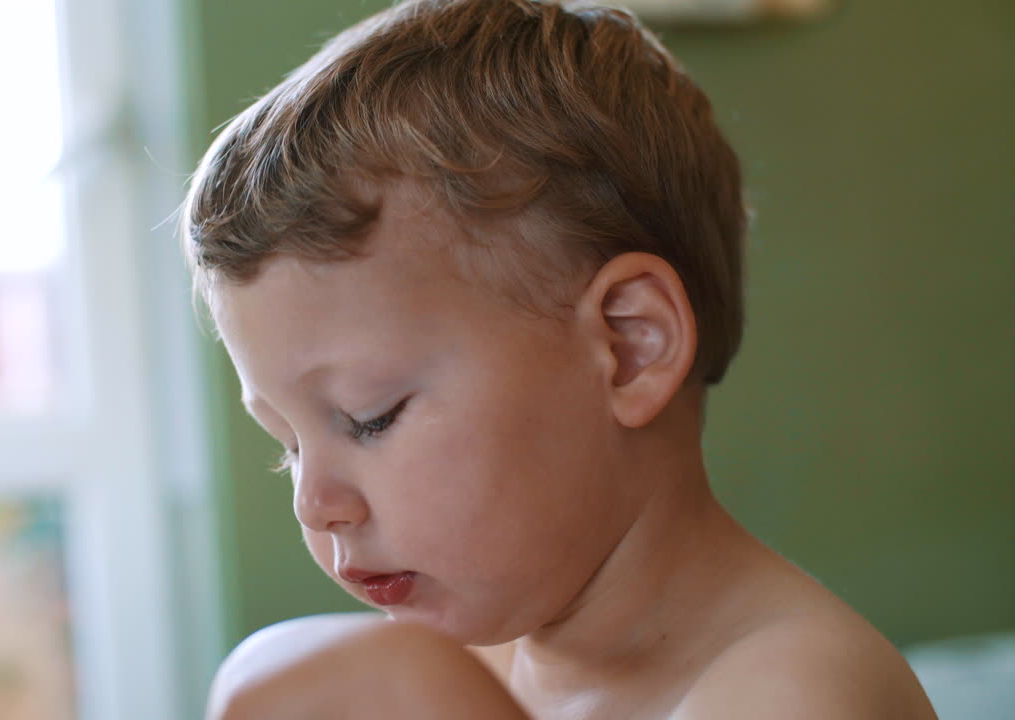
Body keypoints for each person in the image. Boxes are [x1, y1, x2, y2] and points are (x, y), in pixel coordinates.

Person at [182, 1, 938, 717]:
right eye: (286, 444)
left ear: (629, 346)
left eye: (369, 417)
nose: (314, 503)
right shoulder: (485, 664)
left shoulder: (797, 691)